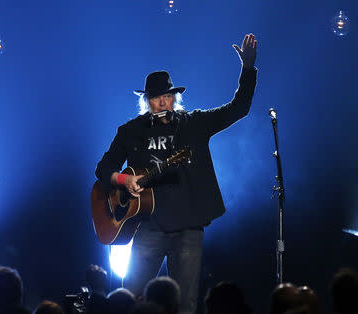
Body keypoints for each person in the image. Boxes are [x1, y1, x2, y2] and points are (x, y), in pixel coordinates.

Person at [95, 33, 258, 314]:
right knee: (128, 299)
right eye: (157, 97)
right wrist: (124, 180)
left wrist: (248, 69)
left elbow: (239, 108)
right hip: (148, 227)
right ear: (147, 100)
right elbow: (103, 169)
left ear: (174, 97)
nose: (163, 102)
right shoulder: (130, 131)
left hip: (188, 228)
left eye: (167, 96)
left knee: (185, 305)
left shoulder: (194, 124)